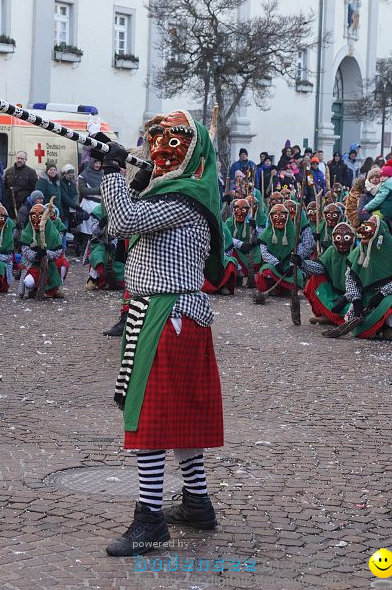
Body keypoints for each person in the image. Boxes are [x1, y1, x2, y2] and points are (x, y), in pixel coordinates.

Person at [90, 110, 225, 557]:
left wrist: (112, 170)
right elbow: (132, 214)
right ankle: (197, 502)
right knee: (179, 418)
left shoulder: (183, 199)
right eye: (156, 142)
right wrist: (135, 176)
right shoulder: (178, 194)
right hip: (173, 313)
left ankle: (149, 519)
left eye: (173, 144)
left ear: (194, 154)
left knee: (150, 418)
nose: (161, 151)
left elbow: (124, 221)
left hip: (168, 313)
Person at [327, 216, 392, 340]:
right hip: (364, 296)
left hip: (385, 295)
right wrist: (356, 299)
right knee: (357, 320)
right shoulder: (358, 252)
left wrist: (382, 294)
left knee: (391, 302)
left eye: (369, 227)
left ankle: (387, 327)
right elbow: (350, 278)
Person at [300, 221, 355, 326]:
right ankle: (326, 315)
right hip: (333, 292)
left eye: (346, 238)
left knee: (354, 309)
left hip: (351, 296)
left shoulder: (357, 252)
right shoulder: (331, 251)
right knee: (315, 279)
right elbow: (319, 268)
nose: (342, 242)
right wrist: (302, 263)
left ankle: (337, 318)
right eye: (338, 238)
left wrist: (346, 298)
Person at [18, 201, 65, 299]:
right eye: (33, 217)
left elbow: (58, 251)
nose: (36, 221)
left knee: (62, 264)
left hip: (50, 264)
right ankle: (32, 290)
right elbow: (25, 250)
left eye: (40, 217)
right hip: (32, 265)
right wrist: (36, 255)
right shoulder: (28, 231)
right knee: (28, 281)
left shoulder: (52, 231)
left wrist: (46, 254)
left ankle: (54, 289)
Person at [2, 151, 38, 220]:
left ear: (26, 160)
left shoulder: (31, 172)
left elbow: (34, 189)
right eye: (18, 158)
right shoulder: (9, 171)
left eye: (22, 159)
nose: (19, 160)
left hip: (23, 205)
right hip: (9, 204)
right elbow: (5, 187)